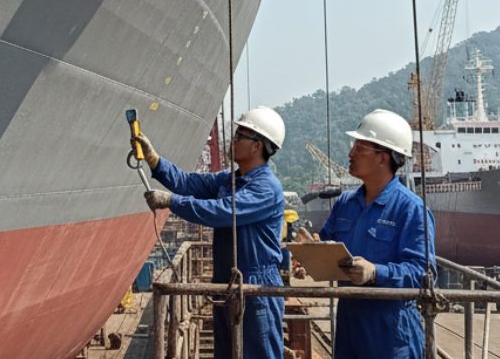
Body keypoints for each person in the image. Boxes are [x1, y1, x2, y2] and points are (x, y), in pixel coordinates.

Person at [138, 106, 287, 359]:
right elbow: (188, 183)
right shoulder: (230, 180)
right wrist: (155, 161)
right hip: (226, 282)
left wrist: (172, 202)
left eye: (240, 136)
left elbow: (223, 211)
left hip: (256, 286)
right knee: (227, 353)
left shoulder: (266, 188)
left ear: (257, 146)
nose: (233, 140)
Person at [315, 109, 435, 359]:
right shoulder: (346, 204)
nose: (351, 154)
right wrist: (310, 249)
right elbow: (326, 243)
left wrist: (375, 273)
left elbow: (423, 274)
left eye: (360, 148)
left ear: (383, 157)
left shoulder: (410, 209)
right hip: (349, 320)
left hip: (390, 330)